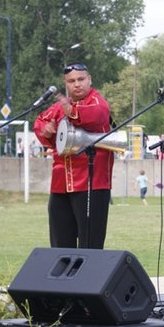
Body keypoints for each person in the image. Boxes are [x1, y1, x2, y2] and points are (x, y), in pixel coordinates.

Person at [33, 62, 114, 249]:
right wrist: (46, 129)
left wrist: (69, 110)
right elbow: (40, 121)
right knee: (60, 244)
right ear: (66, 84)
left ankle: (88, 271)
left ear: (89, 80)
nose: (77, 84)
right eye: (71, 81)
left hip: (91, 183)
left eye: (81, 79)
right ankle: (63, 269)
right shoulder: (59, 107)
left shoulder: (97, 102)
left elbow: (96, 115)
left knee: (90, 245)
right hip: (60, 184)